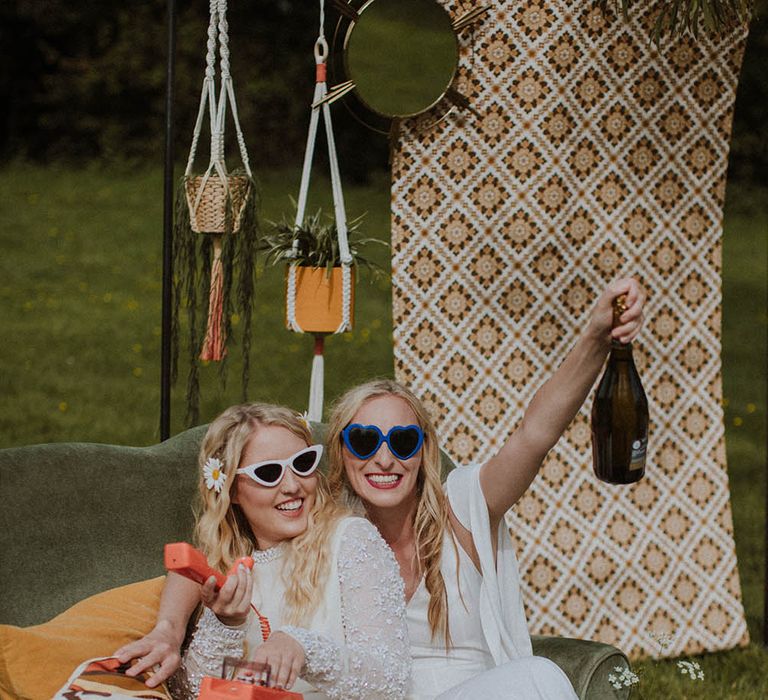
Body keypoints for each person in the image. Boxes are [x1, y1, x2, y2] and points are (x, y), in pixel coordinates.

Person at [322, 277, 644, 699]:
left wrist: (596, 338)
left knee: (539, 676)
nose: (384, 459)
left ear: (424, 452)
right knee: (540, 679)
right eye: (364, 440)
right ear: (342, 450)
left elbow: (536, 433)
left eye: (403, 441)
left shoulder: (462, 506)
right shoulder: (327, 534)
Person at [120, 403, 410, 699]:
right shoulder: (229, 565)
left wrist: (301, 648)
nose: (292, 485)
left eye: (303, 463)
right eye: (269, 473)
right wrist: (226, 625)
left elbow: (390, 682)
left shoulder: (350, 539)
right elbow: (193, 693)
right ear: (231, 489)